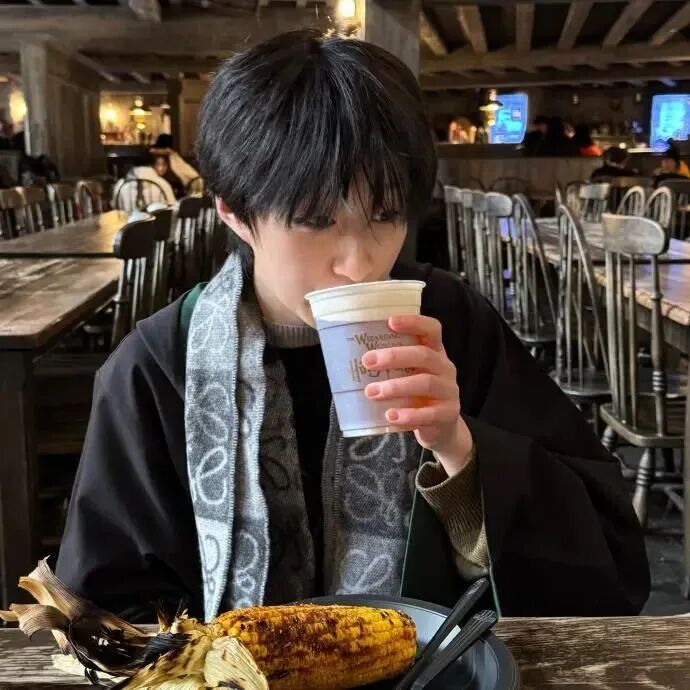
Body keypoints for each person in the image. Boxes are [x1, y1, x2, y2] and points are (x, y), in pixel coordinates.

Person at [56, 30, 649, 623]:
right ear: (235, 213)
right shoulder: (158, 365)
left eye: (385, 215)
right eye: (316, 220)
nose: (359, 263)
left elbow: (607, 571)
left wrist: (459, 447)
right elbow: (107, 611)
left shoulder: (452, 323)